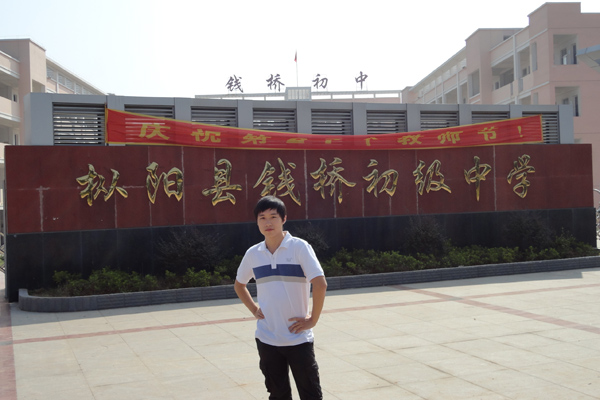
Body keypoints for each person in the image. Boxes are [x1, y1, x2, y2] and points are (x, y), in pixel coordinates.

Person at [234, 196, 327, 400]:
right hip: (267, 337)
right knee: (277, 395)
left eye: (273, 217)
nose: (268, 222)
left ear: (284, 219)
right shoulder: (253, 254)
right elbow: (239, 285)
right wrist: (254, 309)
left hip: (298, 338)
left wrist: (313, 320)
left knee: (311, 394)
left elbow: (320, 283)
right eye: (262, 218)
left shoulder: (299, 247)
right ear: (257, 222)